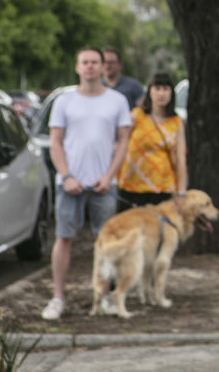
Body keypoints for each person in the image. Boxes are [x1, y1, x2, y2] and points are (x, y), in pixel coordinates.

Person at [42, 47, 133, 321]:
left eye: (95, 62)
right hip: (70, 183)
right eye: (85, 62)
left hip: (104, 184)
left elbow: (123, 142)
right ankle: (58, 298)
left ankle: (104, 296)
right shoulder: (65, 101)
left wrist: (109, 176)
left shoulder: (117, 101)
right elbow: (55, 143)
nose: (91, 67)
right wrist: (67, 176)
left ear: (103, 66)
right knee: (63, 239)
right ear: (77, 67)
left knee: (105, 241)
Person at [117, 72, 188, 207]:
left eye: (165, 89)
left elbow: (180, 158)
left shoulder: (176, 122)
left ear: (171, 93)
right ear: (150, 92)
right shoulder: (136, 116)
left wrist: (181, 191)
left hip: (161, 185)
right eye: (157, 89)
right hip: (132, 184)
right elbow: (120, 144)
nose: (161, 93)